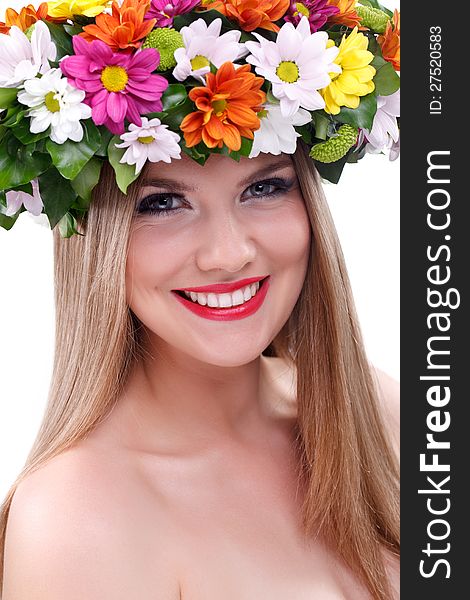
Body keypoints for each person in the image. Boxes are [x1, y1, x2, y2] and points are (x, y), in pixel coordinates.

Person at [0, 2, 400, 599]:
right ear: (93, 238)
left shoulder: (378, 408)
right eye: (162, 203)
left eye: (264, 187)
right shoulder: (79, 520)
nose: (229, 253)